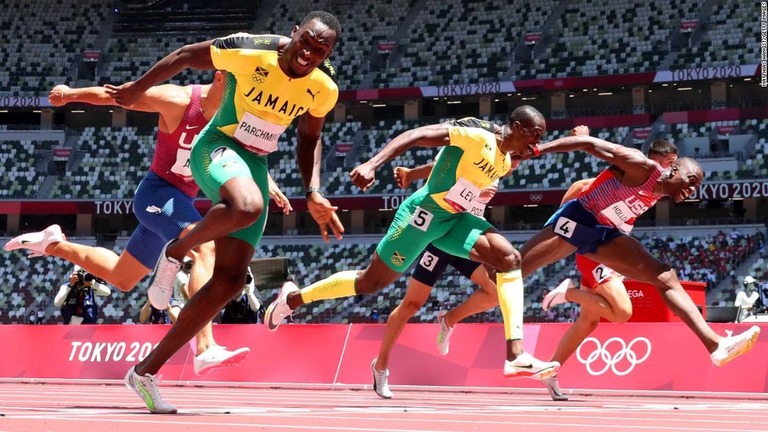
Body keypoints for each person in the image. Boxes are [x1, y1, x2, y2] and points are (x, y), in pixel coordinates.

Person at [107, 11, 344, 414]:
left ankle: (145, 372)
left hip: (254, 163)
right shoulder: (250, 50)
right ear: (294, 33)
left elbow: (309, 139)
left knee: (231, 280)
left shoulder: (323, 89)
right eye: (306, 41)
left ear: (328, 54)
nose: (309, 53)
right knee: (248, 205)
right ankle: (176, 250)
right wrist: (137, 89)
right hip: (216, 146)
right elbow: (184, 55)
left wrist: (314, 191)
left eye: (320, 49)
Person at [266, 108, 560, 380]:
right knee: (370, 282)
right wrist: (373, 163)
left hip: (455, 221)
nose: (537, 143)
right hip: (422, 216)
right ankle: (293, 300)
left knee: (510, 259)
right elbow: (416, 135)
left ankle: (515, 354)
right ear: (517, 127)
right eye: (535, 134)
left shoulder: (505, 160)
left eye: (541, 139)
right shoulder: (476, 135)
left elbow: (444, 168)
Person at [5, 77, 261, 378]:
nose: (243, 94)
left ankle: (52, 243)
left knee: (122, 277)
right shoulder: (179, 100)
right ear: (220, 77)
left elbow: (244, 155)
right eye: (238, 83)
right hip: (157, 194)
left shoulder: (233, 115)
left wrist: (266, 184)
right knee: (204, 246)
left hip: (175, 204)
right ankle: (205, 348)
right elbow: (121, 96)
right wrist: (71, 94)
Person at [507, 133, 760, 388]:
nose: (692, 189)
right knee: (508, 273)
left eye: (696, 186)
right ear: (671, 169)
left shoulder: (662, 191)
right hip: (578, 221)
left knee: (665, 276)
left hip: (605, 235)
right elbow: (590, 146)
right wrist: (537, 150)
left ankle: (716, 345)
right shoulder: (640, 166)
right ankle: (518, 346)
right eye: (691, 181)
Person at [536, 138, 679, 400]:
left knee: (588, 322)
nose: (672, 171)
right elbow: (581, 186)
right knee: (623, 312)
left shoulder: (656, 188)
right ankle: (570, 291)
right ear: (655, 160)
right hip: (597, 249)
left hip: (610, 251)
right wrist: (562, 224)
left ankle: (550, 370)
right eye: (669, 164)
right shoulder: (636, 172)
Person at [370, 163, 503, 399]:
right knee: (411, 305)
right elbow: (440, 181)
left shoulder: (497, 169)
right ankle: (380, 366)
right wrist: (411, 174)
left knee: (496, 293)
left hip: (464, 243)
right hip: (439, 238)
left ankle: (449, 320)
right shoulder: (470, 160)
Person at [169, 258, 193, 323]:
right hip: (182, 306)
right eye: (188, 263)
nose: (190, 264)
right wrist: (193, 303)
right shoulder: (182, 276)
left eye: (191, 262)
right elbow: (185, 292)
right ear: (183, 264)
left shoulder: (186, 275)